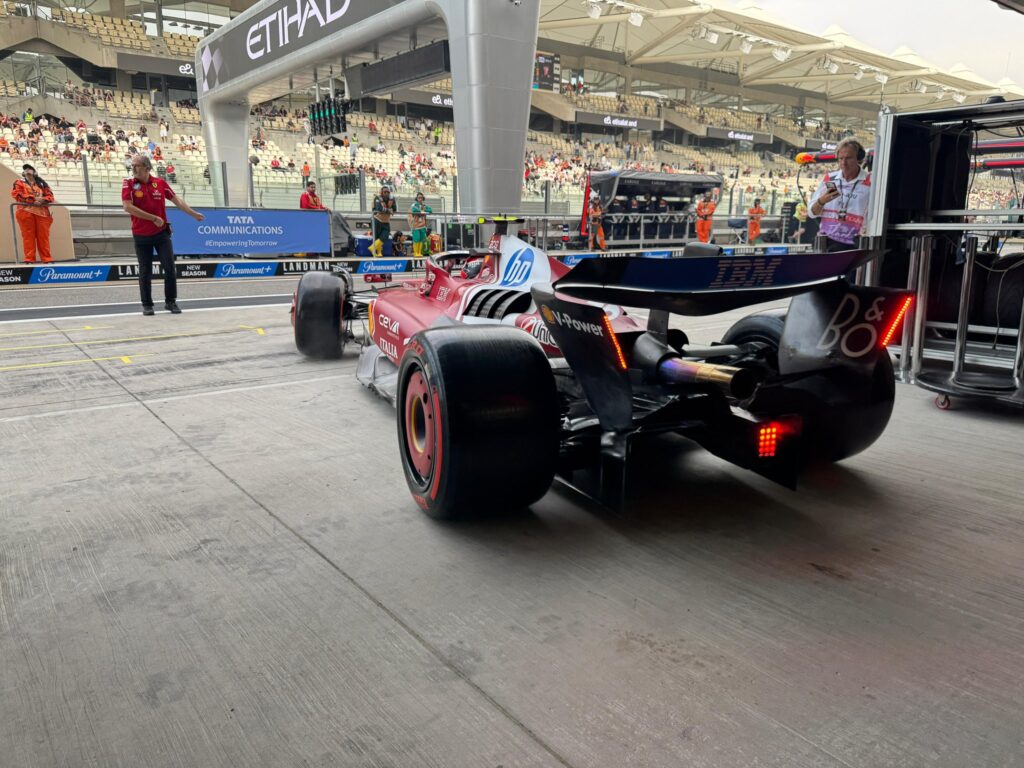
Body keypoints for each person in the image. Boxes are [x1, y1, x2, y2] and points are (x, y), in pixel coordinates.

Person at [121, 154, 204, 316]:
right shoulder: (129, 183)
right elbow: (127, 207)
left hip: (161, 234)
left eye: (136, 165)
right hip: (141, 235)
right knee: (145, 270)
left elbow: (177, 201)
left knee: (170, 268)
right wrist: (153, 218)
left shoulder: (160, 183)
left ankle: (170, 302)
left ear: (146, 167)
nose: (133, 168)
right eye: (132, 165)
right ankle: (147, 305)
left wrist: (193, 214)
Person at [807, 137, 871, 252]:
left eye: (848, 158)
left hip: (855, 244)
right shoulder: (829, 178)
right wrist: (821, 201)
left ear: (859, 159)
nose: (843, 163)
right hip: (826, 243)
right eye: (840, 158)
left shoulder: (871, 181)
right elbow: (812, 213)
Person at [10, 164, 55, 264]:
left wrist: (42, 200)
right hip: (25, 212)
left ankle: (46, 259)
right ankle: (29, 259)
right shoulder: (19, 182)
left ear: (34, 172)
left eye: (30, 168)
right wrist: (33, 199)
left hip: (42, 214)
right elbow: (16, 194)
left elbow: (50, 196)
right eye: (25, 169)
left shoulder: (42, 184)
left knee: (43, 237)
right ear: (23, 173)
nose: (27, 170)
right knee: (28, 236)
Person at [370, 185, 396, 258]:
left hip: (386, 221)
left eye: (388, 192)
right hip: (376, 219)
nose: (386, 193)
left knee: (385, 236)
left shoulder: (392, 199)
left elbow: (394, 209)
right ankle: (378, 252)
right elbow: (379, 209)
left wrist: (387, 210)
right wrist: (389, 210)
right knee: (376, 237)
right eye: (385, 192)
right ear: (381, 192)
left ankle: (373, 247)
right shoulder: (377, 198)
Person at [407, 191, 432, 257]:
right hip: (416, 226)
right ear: (417, 198)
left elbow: (430, 210)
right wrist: (423, 211)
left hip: (423, 226)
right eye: (419, 198)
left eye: (421, 198)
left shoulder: (424, 205)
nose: (420, 199)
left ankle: (419, 252)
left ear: (423, 198)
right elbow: (414, 211)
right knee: (416, 238)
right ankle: (416, 253)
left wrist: (422, 211)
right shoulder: (414, 205)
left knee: (421, 239)